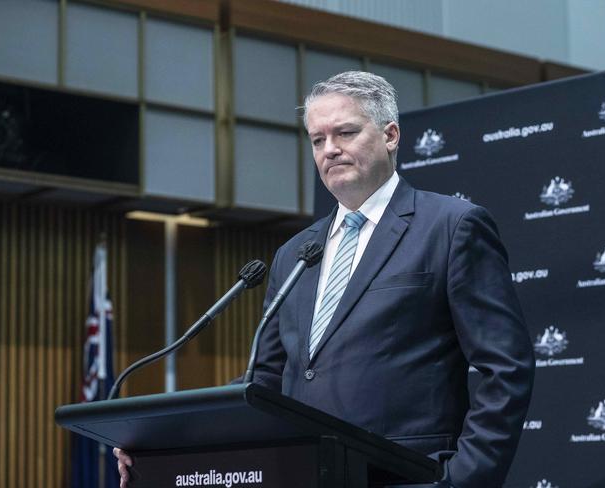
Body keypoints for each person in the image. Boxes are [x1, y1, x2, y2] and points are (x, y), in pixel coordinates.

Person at [115, 71, 535, 488]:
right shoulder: (295, 253)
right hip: (305, 473)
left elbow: (506, 369)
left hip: (409, 475)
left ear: (390, 135)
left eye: (345, 133)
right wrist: (164, 440)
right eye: (318, 140)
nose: (330, 150)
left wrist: (463, 480)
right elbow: (266, 381)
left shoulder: (451, 227)